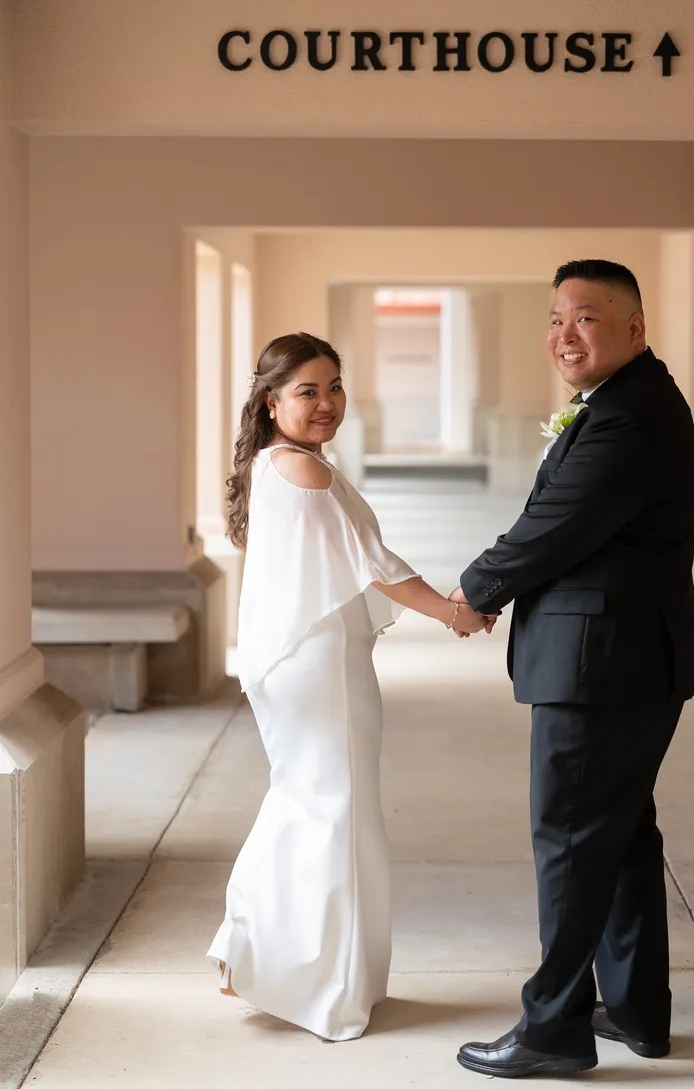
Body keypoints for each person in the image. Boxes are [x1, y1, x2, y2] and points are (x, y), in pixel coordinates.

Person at [451, 260, 694, 1077]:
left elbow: (560, 523)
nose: (565, 335)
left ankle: (552, 1028)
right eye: (557, 318)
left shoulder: (632, 417)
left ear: (634, 328)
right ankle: (634, 1011)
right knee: (621, 835)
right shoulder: (625, 403)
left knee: (569, 841)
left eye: (587, 319)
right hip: (627, 657)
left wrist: (475, 591)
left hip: (602, 663)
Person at [207, 331, 490, 1043]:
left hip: (300, 660)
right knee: (336, 808)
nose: (327, 403)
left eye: (335, 387)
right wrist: (456, 611)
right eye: (308, 391)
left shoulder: (282, 464)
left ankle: (260, 956)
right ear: (272, 403)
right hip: (319, 666)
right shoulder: (303, 472)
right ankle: (317, 985)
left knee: (312, 801)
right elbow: (378, 565)